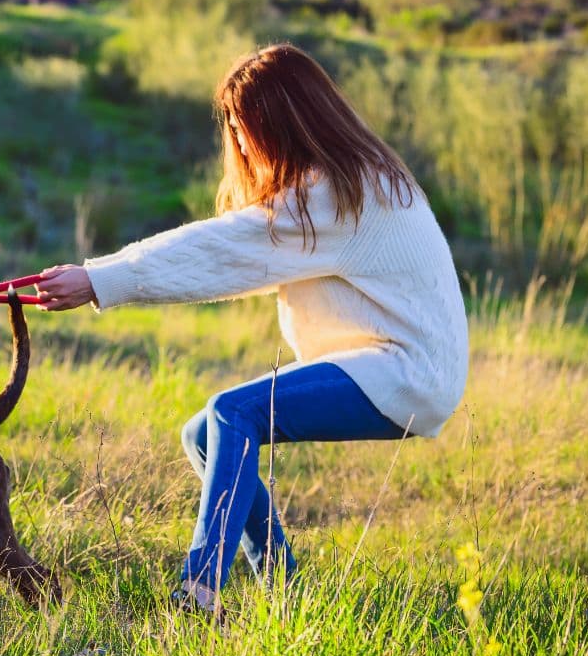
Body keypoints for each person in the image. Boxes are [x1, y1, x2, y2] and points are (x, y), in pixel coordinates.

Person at [34, 44, 468, 617]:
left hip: (407, 371)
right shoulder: (346, 180)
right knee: (204, 435)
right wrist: (99, 278)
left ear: (283, 121)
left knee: (230, 412)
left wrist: (98, 279)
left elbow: (218, 248)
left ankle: (200, 589)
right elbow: (230, 247)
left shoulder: (337, 194)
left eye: (244, 127)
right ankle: (285, 591)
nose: (237, 143)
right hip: (389, 362)